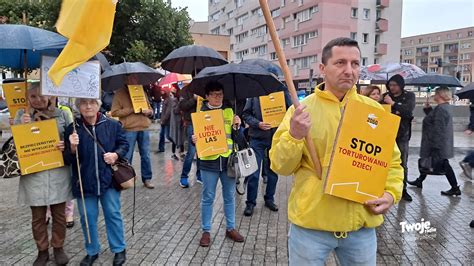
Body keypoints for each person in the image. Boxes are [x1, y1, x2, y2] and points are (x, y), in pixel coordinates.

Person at [269, 37, 403, 264]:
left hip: (360, 229)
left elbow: (392, 163)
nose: (349, 70)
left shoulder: (374, 110)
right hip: (311, 228)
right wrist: (294, 135)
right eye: (340, 63)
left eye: (355, 63)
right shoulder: (301, 111)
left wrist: (391, 193)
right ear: (323, 68)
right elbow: (280, 166)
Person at [64, 98, 129, 266]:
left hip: (108, 180)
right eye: (84, 103)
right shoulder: (72, 129)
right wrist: (71, 148)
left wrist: (115, 154)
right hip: (84, 181)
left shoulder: (113, 125)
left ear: (98, 105)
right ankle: (92, 251)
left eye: (92, 102)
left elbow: (124, 144)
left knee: (113, 214)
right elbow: (67, 159)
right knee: (87, 217)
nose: (88, 106)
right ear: (78, 107)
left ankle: (119, 249)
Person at [15, 82, 73, 266]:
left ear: (49, 95)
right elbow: (15, 146)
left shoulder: (62, 114)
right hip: (34, 174)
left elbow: (72, 140)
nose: (38, 99)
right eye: (32, 96)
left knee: (59, 215)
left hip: (58, 172)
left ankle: (58, 247)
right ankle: (42, 250)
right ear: (27, 99)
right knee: (38, 216)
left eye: (41, 95)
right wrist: (22, 127)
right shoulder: (21, 115)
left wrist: (65, 145)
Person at [192, 81, 245, 247]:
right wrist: (193, 140)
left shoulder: (229, 111)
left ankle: (230, 228)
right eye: (214, 94)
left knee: (229, 197)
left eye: (220, 94)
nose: (217, 97)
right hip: (209, 163)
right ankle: (206, 231)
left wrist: (237, 127)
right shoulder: (200, 114)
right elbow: (197, 139)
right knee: (208, 197)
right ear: (207, 96)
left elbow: (238, 140)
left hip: (228, 161)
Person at [241, 86, 291, 216]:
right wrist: (258, 123)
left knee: (273, 171)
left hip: (275, 137)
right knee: (253, 172)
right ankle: (250, 202)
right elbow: (245, 114)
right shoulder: (254, 93)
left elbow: (291, 111)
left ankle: (269, 198)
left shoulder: (282, 92)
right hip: (256, 138)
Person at [407, 87, 461, 196]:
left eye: (436, 93)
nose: (434, 95)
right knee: (426, 161)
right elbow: (435, 120)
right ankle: (420, 180)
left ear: (440, 95)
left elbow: (438, 128)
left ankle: (455, 187)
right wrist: (428, 110)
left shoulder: (441, 109)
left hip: (436, 143)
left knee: (443, 164)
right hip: (439, 142)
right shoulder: (444, 107)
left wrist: (435, 146)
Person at [111, 74, 154, 189]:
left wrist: (149, 112)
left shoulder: (141, 91)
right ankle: (126, 178)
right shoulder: (120, 93)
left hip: (144, 127)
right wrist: (131, 110)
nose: (134, 80)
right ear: (126, 80)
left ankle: (147, 179)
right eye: (131, 78)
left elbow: (150, 109)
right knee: (127, 155)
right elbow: (114, 112)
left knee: (146, 155)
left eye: (136, 78)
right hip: (129, 129)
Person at [381, 74, 416, 201]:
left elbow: (408, 111)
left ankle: (403, 189)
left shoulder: (409, 96)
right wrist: (397, 110)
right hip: (387, 133)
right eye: (390, 85)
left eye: (395, 85)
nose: (392, 88)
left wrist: (393, 104)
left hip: (402, 134)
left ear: (401, 85)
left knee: (402, 162)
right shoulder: (385, 96)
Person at [178, 85, 202, 188]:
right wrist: (194, 99)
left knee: (202, 151)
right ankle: (184, 176)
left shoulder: (204, 88)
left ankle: (200, 175)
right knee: (191, 152)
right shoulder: (185, 90)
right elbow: (182, 106)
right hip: (191, 123)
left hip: (203, 122)